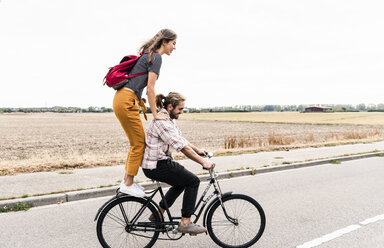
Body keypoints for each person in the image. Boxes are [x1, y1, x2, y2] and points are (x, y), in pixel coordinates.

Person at [113, 29, 177, 197]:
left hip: (124, 99)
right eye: (173, 43)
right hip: (127, 100)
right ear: (164, 42)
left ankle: (128, 181)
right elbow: (150, 88)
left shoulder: (149, 55)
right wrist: (155, 114)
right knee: (139, 143)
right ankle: (128, 183)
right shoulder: (156, 58)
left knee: (137, 142)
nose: (174, 47)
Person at [141, 92, 215, 234]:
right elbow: (182, 148)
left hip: (159, 163)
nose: (182, 112)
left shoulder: (168, 119)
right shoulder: (162, 122)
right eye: (180, 109)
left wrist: (198, 150)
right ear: (170, 107)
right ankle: (185, 223)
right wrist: (203, 162)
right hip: (156, 165)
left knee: (181, 182)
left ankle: (157, 214)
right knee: (192, 181)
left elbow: (181, 139)